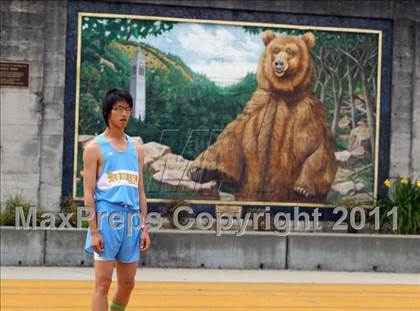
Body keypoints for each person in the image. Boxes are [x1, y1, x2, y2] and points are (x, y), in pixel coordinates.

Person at [83, 88, 151, 311]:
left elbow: (140, 192)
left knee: (128, 283)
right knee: (102, 283)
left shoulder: (137, 149)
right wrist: (94, 230)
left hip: (131, 221)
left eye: (128, 109)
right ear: (107, 112)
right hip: (106, 218)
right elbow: (88, 194)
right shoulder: (94, 148)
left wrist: (144, 227)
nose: (124, 114)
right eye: (119, 109)